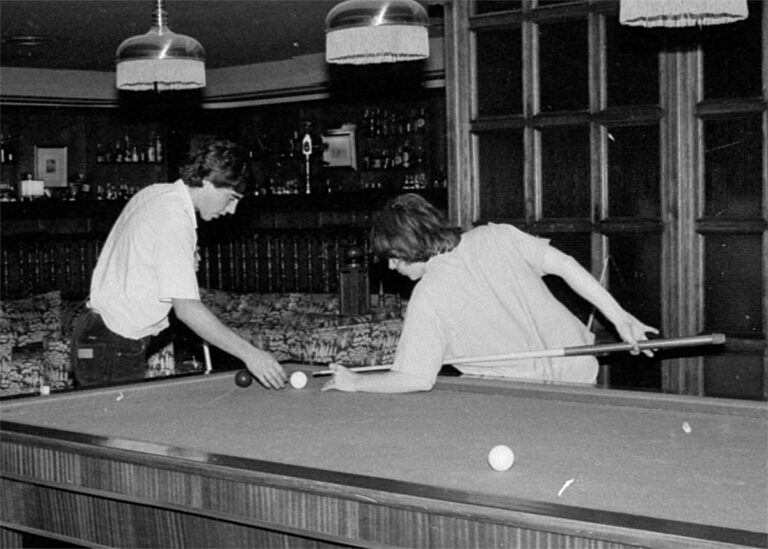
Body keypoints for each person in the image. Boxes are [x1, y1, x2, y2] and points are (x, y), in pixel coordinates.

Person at [322, 193, 657, 393]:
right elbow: (565, 264)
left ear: (409, 247)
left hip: (517, 397)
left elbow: (414, 377)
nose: (393, 268)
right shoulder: (496, 235)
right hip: (580, 373)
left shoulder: (427, 297)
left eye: (393, 258)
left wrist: (355, 383)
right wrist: (620, 317)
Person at [72, 139, 286, 389]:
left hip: (96, 335)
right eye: (231, 197)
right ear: (207, 182)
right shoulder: (175, 220)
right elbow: (187, 310)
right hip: (112, 344)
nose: (232, 210)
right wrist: (251, 354)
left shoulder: (157, 193)